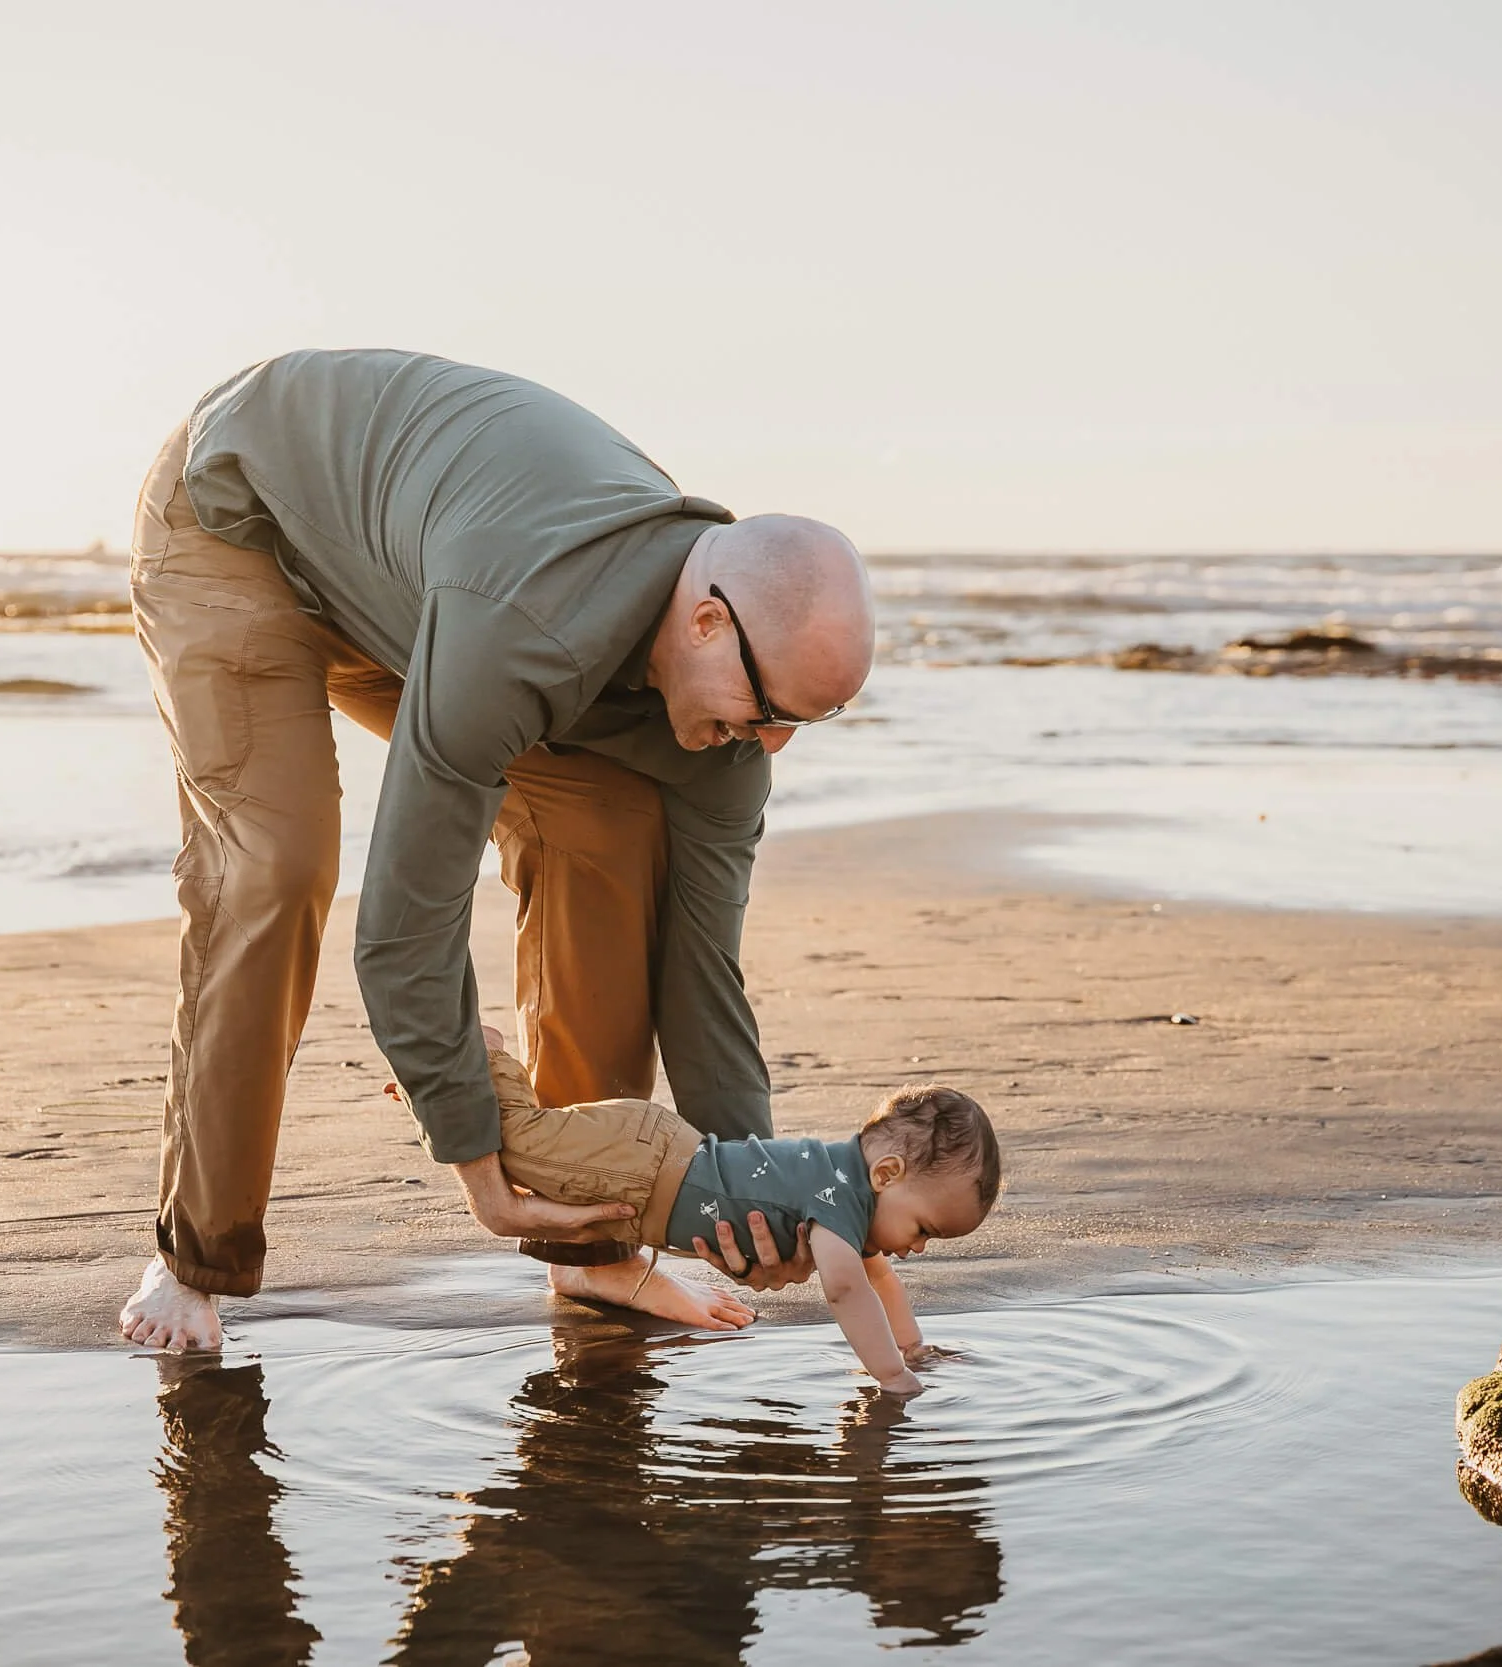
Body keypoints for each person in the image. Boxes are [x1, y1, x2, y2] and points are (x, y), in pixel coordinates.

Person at [118, 349, 877, 1352]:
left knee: (609, 833)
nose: (772, 745)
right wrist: (477, 1158)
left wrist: (755, 1193)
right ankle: (192, 1255)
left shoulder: (730, 732)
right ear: (706, 621)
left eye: (803, 724)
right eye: (770, 709)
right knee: (277, 862)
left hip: (420, 587)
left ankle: (590, 1240)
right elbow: (404, 926)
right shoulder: (526, 625)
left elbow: (703, 973)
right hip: (239, 520)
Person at [459, 1028, 1001, 1394]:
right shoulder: (837, 1199)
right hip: (638, 1166)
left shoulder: (850, 1198)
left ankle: (474, 1067)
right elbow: (846, 1290)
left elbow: (878, 1279)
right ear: (886, 1174)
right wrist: (892, 1377)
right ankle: (479, 1050)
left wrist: (911, 1347)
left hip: (652, 1153)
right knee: (517, 1144)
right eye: (924, 1229)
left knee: (529, 1147)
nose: (918, 1248)